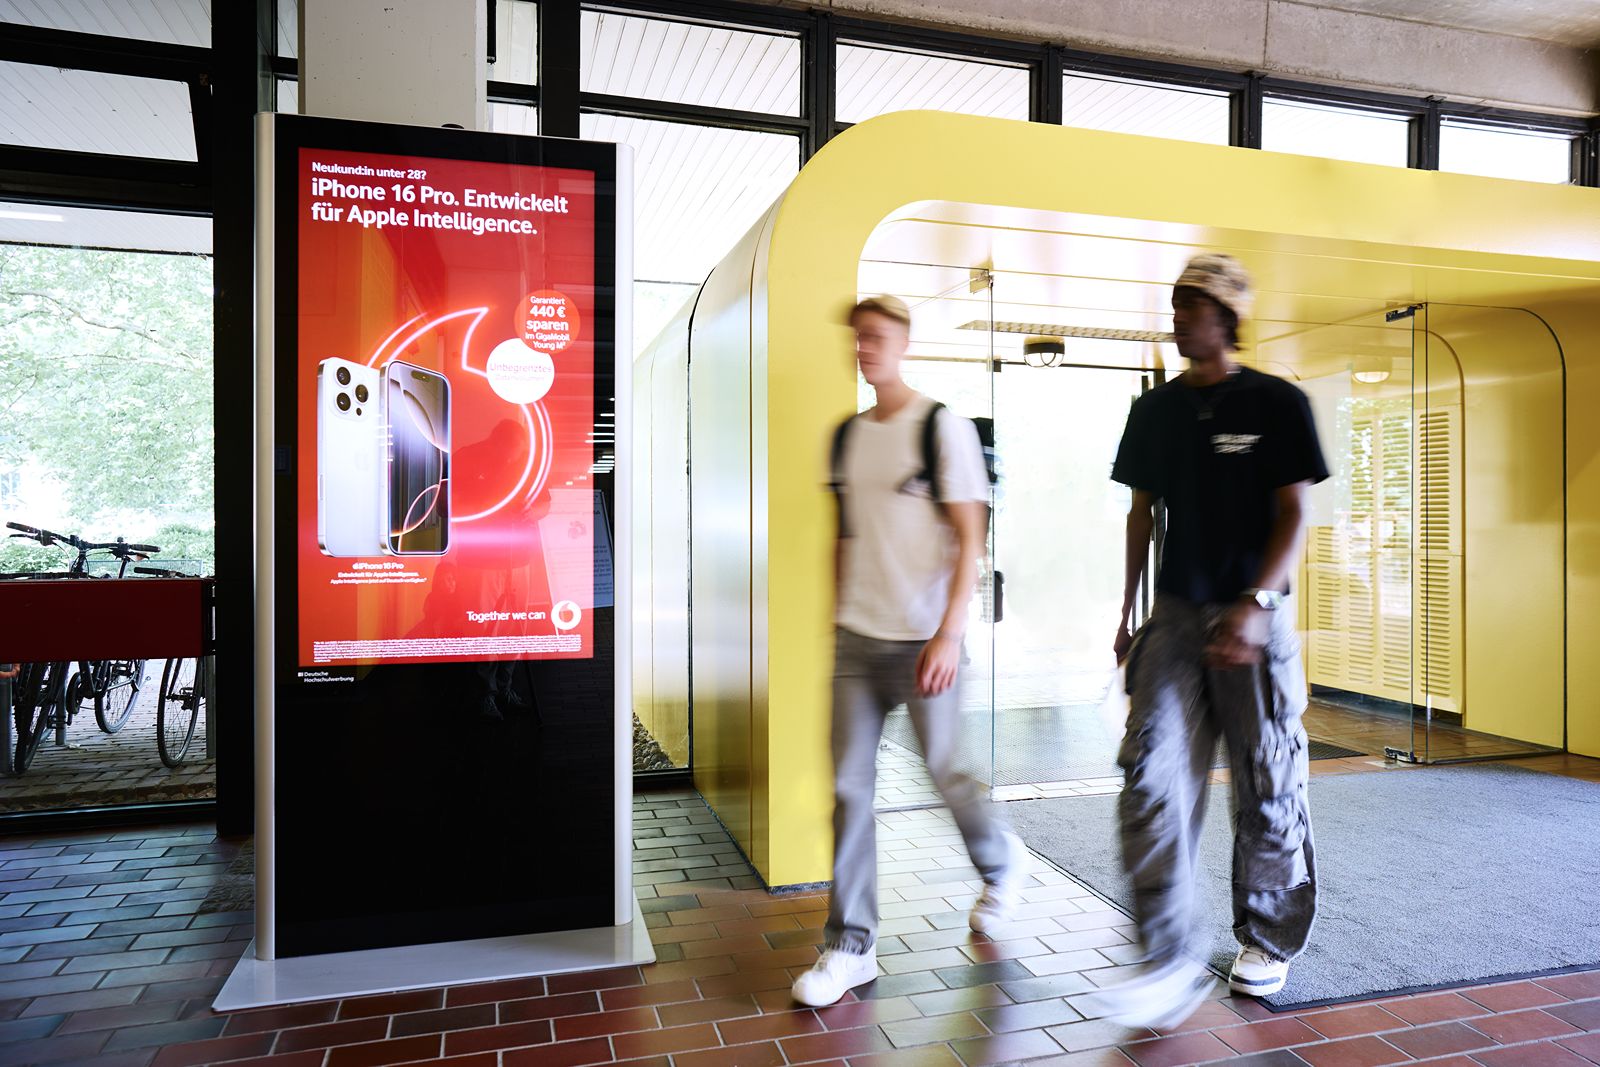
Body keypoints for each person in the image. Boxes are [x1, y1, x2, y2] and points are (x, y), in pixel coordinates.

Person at [1091, 254, 1327, 1026]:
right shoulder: (1153, 411)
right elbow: (1140, 514)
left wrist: (1258, 604)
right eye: (1175, 304)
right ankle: (1165, 953)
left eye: (1192, 304)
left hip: (1254, 616)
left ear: (1227, 316)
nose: (1178, 316)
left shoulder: (1277, 402)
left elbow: (1293, 513)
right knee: (1150, 778)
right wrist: (1127, 615)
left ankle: (1266, 937)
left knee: (1267, 778)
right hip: (1177, 615)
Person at [791, 295, 1030, 1008]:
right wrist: (840, 617)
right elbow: (847, 533)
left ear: (902, 343)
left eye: (878, 337)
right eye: (858, 337)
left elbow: (970, 536)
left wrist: (950, 633)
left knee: (947, 771)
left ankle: (999, 863)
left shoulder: (939, 427)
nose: (865, 348)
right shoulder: (847, 436)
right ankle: (850, 945)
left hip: (926, 638)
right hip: (857, 642)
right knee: (848, 788)